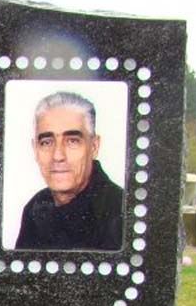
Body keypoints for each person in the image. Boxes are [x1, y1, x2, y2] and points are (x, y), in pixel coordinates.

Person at [15, 91, 123, 251]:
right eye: (46, 142)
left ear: (94, 147)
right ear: (35, 149)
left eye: (72, 141)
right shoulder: (35, 207)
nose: (58, 156)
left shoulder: (121, 211)